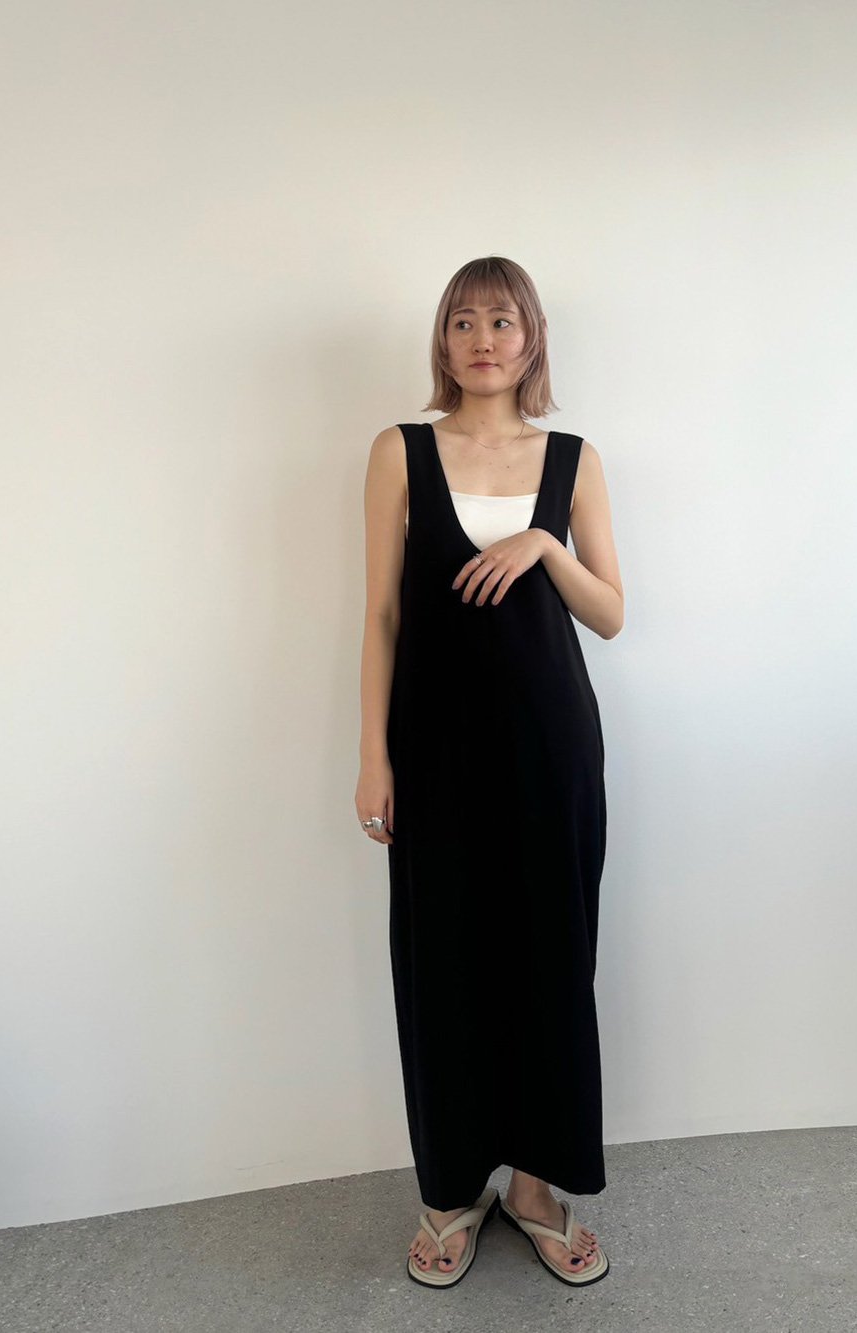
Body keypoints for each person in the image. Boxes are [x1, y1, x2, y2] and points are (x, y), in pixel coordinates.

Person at [355, 256, 624, 1288]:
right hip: (432, 751)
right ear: (443, 338)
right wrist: (372, 754)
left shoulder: (573, 461)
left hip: (553, 750)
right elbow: (383, 614)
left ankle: (537, 1187)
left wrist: (544, 547)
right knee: (443, 967)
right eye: (462, 320)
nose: (482, 339)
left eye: (502, 320)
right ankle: (451, 1189)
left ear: (531, 337)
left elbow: (610, 613)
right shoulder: (399, 451)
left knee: (551, 961)